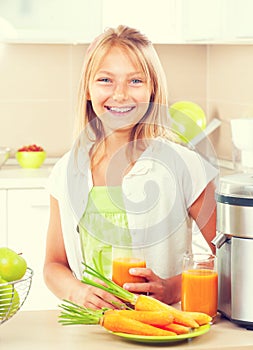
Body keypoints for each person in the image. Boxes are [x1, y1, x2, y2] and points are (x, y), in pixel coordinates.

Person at [43, 25, 218, 310]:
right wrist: (78, 293)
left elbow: (232, 259)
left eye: (135, 81)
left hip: (160, 326)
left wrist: (171, 288)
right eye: (105, 80)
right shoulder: (65, 172)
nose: (121, 95)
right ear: (88, 89)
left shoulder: (185, 166)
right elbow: (53, 265)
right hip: (91, 330)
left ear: (152, 89)